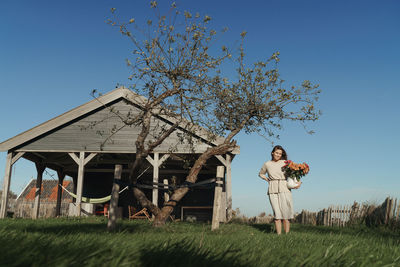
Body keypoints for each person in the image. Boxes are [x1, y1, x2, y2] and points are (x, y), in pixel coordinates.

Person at [258, 145, 301, 234]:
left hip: (284, 187)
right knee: (277, 215)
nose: (278, 155)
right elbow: (261, 173)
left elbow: (295, 173)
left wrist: (298, 183)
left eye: (280, 154)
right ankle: (279, 236)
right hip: (272, 189)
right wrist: (267, 179)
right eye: (277, 153)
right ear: (272, 153)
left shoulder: (285, 162)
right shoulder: (267, 164)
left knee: (286, 215)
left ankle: (286, 236)